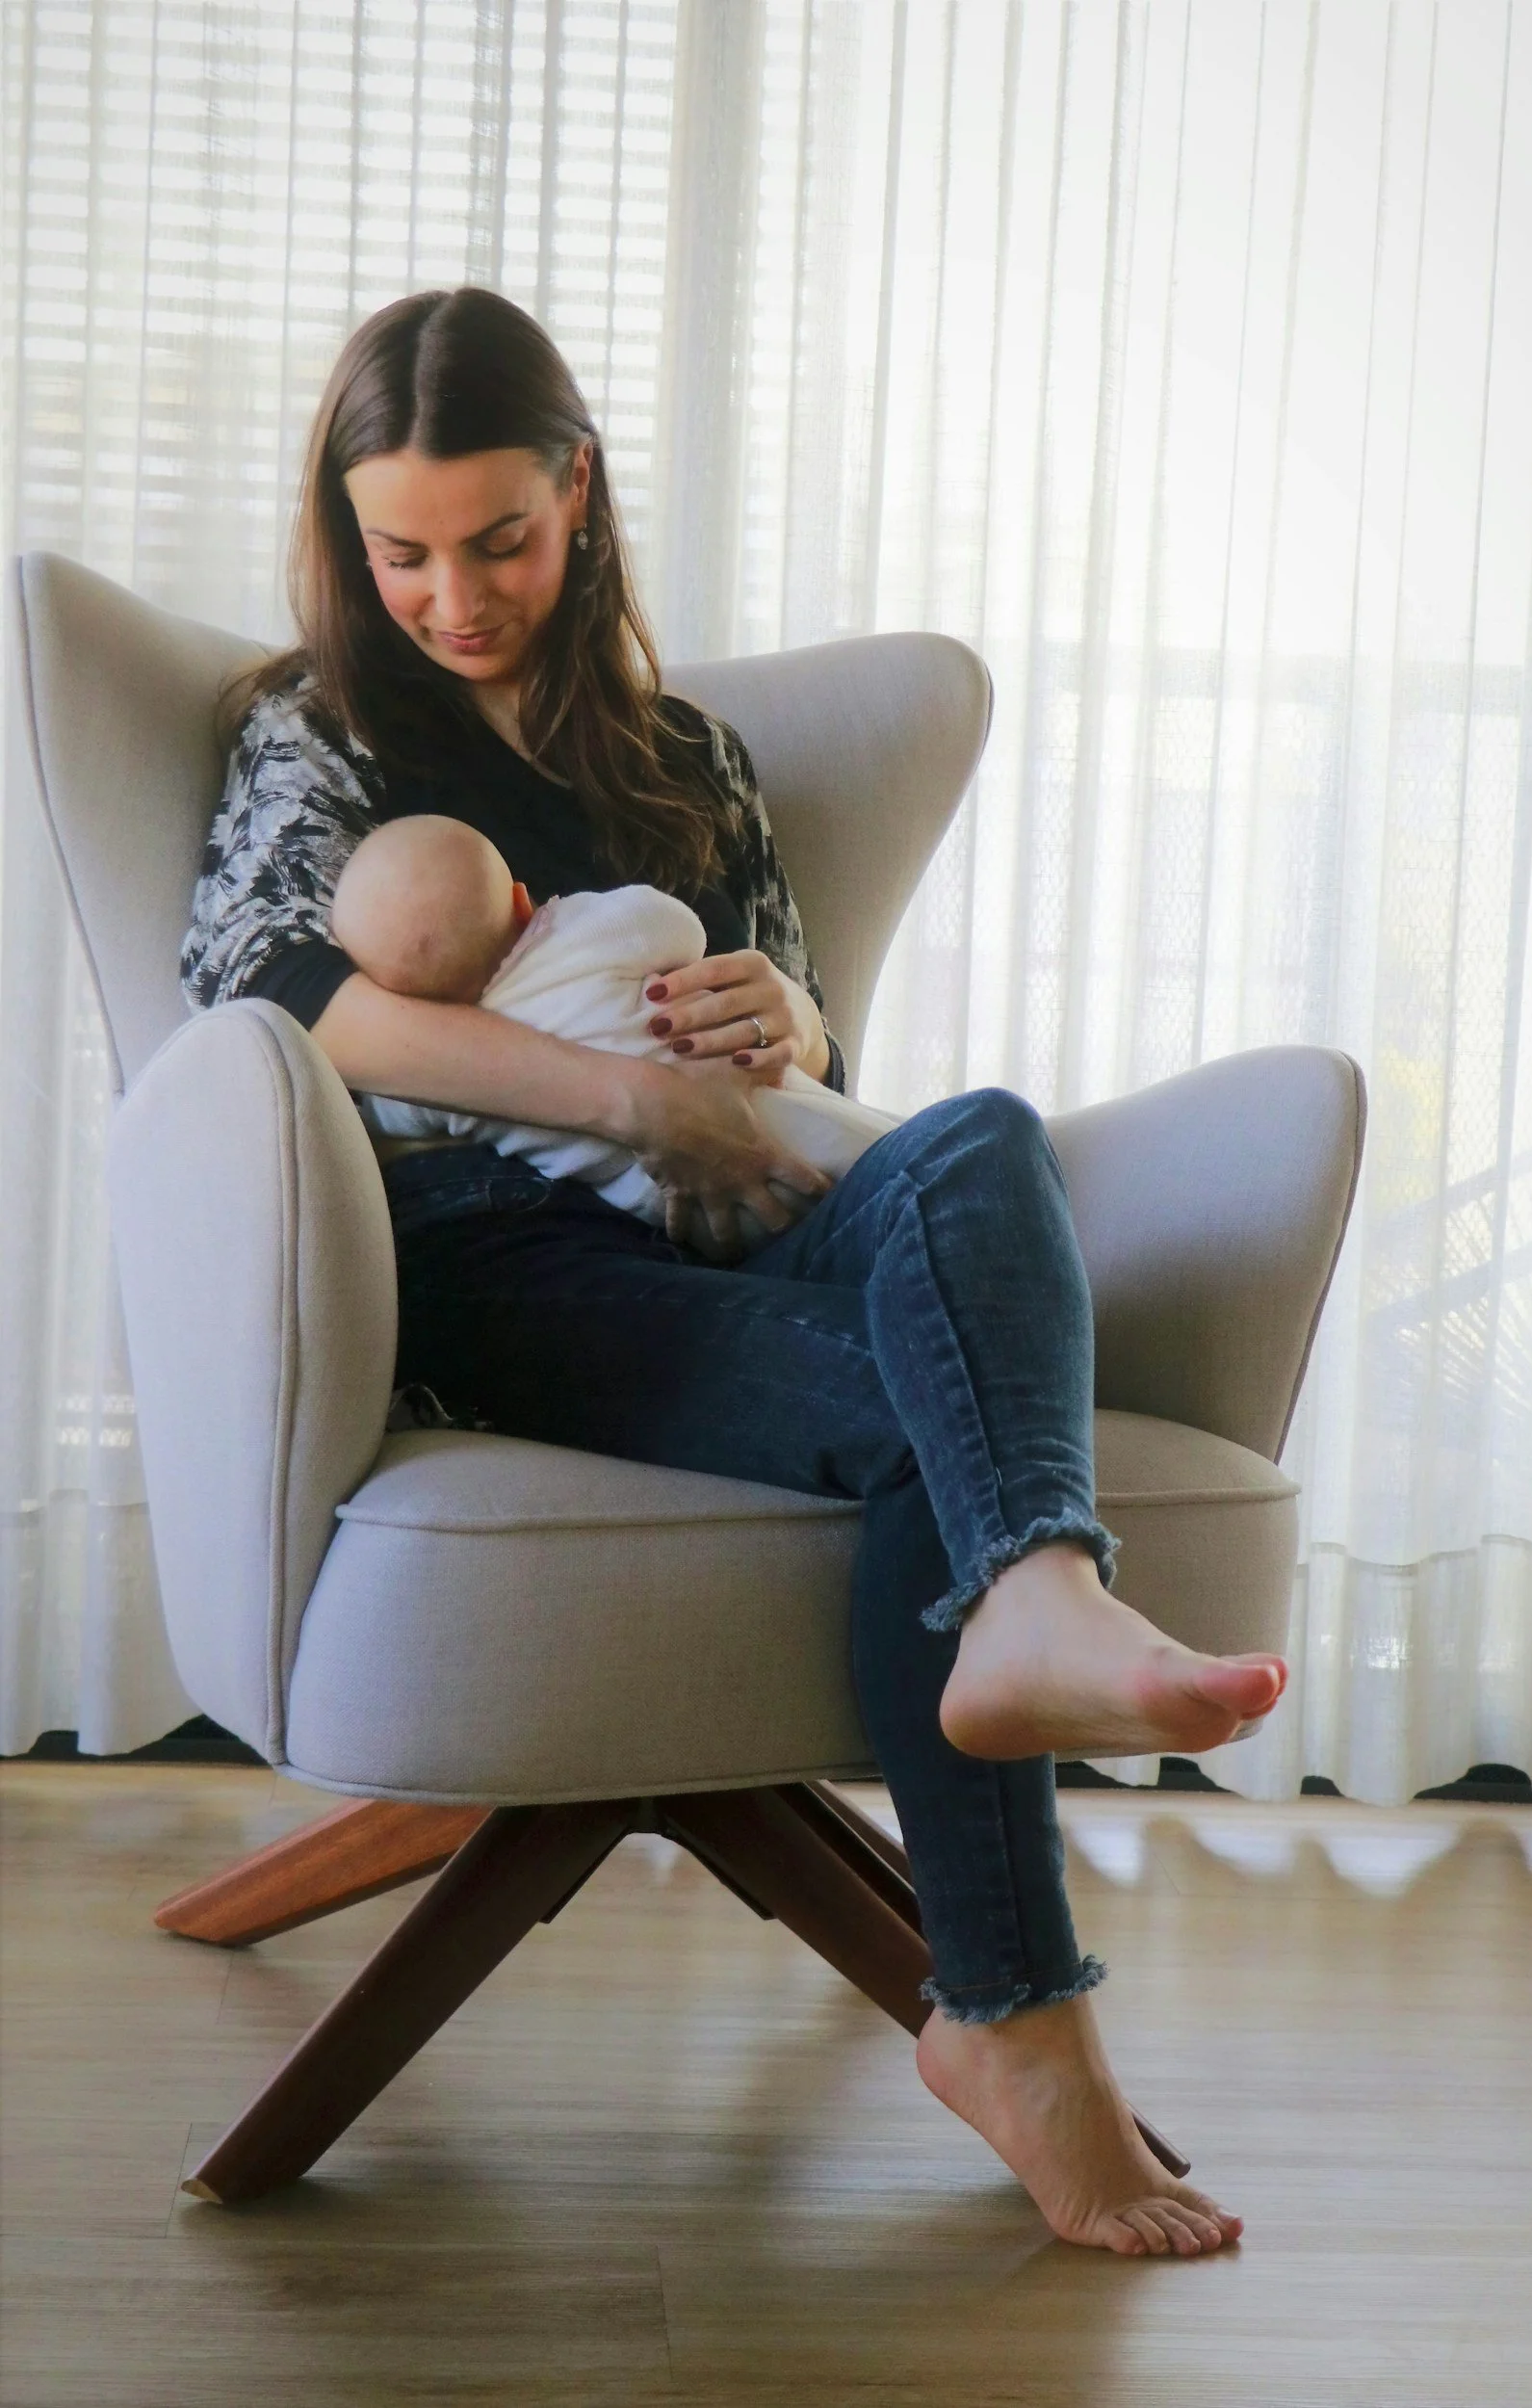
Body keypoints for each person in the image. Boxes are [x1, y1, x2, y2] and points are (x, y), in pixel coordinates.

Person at [181, 286, 1286, 2260]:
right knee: (900, 1425)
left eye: (499, 539)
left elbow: (810, 1077)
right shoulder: (316, 731)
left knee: (978, 1135)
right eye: (402, 549)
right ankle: (1017, 2017)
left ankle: (1035, 1584)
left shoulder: (685, 753)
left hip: (745, 1209)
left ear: (580, 495)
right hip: (493, 1262)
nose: (453, 594)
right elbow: (289, 1002)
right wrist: (614, 1096)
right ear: (349, 538)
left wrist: (781, 1011)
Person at [327, 814, 898, 1241]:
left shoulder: (429, 1078)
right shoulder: (577, 933)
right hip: (765, 1121)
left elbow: (378, 1111)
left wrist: (799, 1018)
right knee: (924, 1165)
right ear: (521, 902)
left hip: (678, 1214)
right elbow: (673, 925)